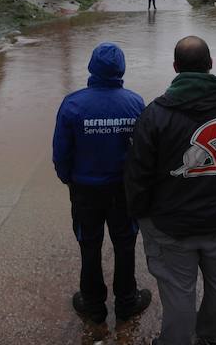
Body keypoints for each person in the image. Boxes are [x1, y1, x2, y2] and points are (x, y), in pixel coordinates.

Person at [125, 36, 216, 345]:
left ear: (175, 68)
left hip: (171, 223)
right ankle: (209, 338)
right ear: (211, 65)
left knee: (179, 289)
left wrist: (140, 215)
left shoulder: (154, 115)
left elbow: (138, 175)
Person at [52, 42, 152, 326]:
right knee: (125, 243)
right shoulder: (135, 102)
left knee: (89, 244)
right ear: (121, 69)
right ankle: (126, 302)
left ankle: (93, 305)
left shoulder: (73, 104)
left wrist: (68, 179)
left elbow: (61, 152)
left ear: (92, 67)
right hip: (123, 189)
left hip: (85, 190)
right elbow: (143, 151)